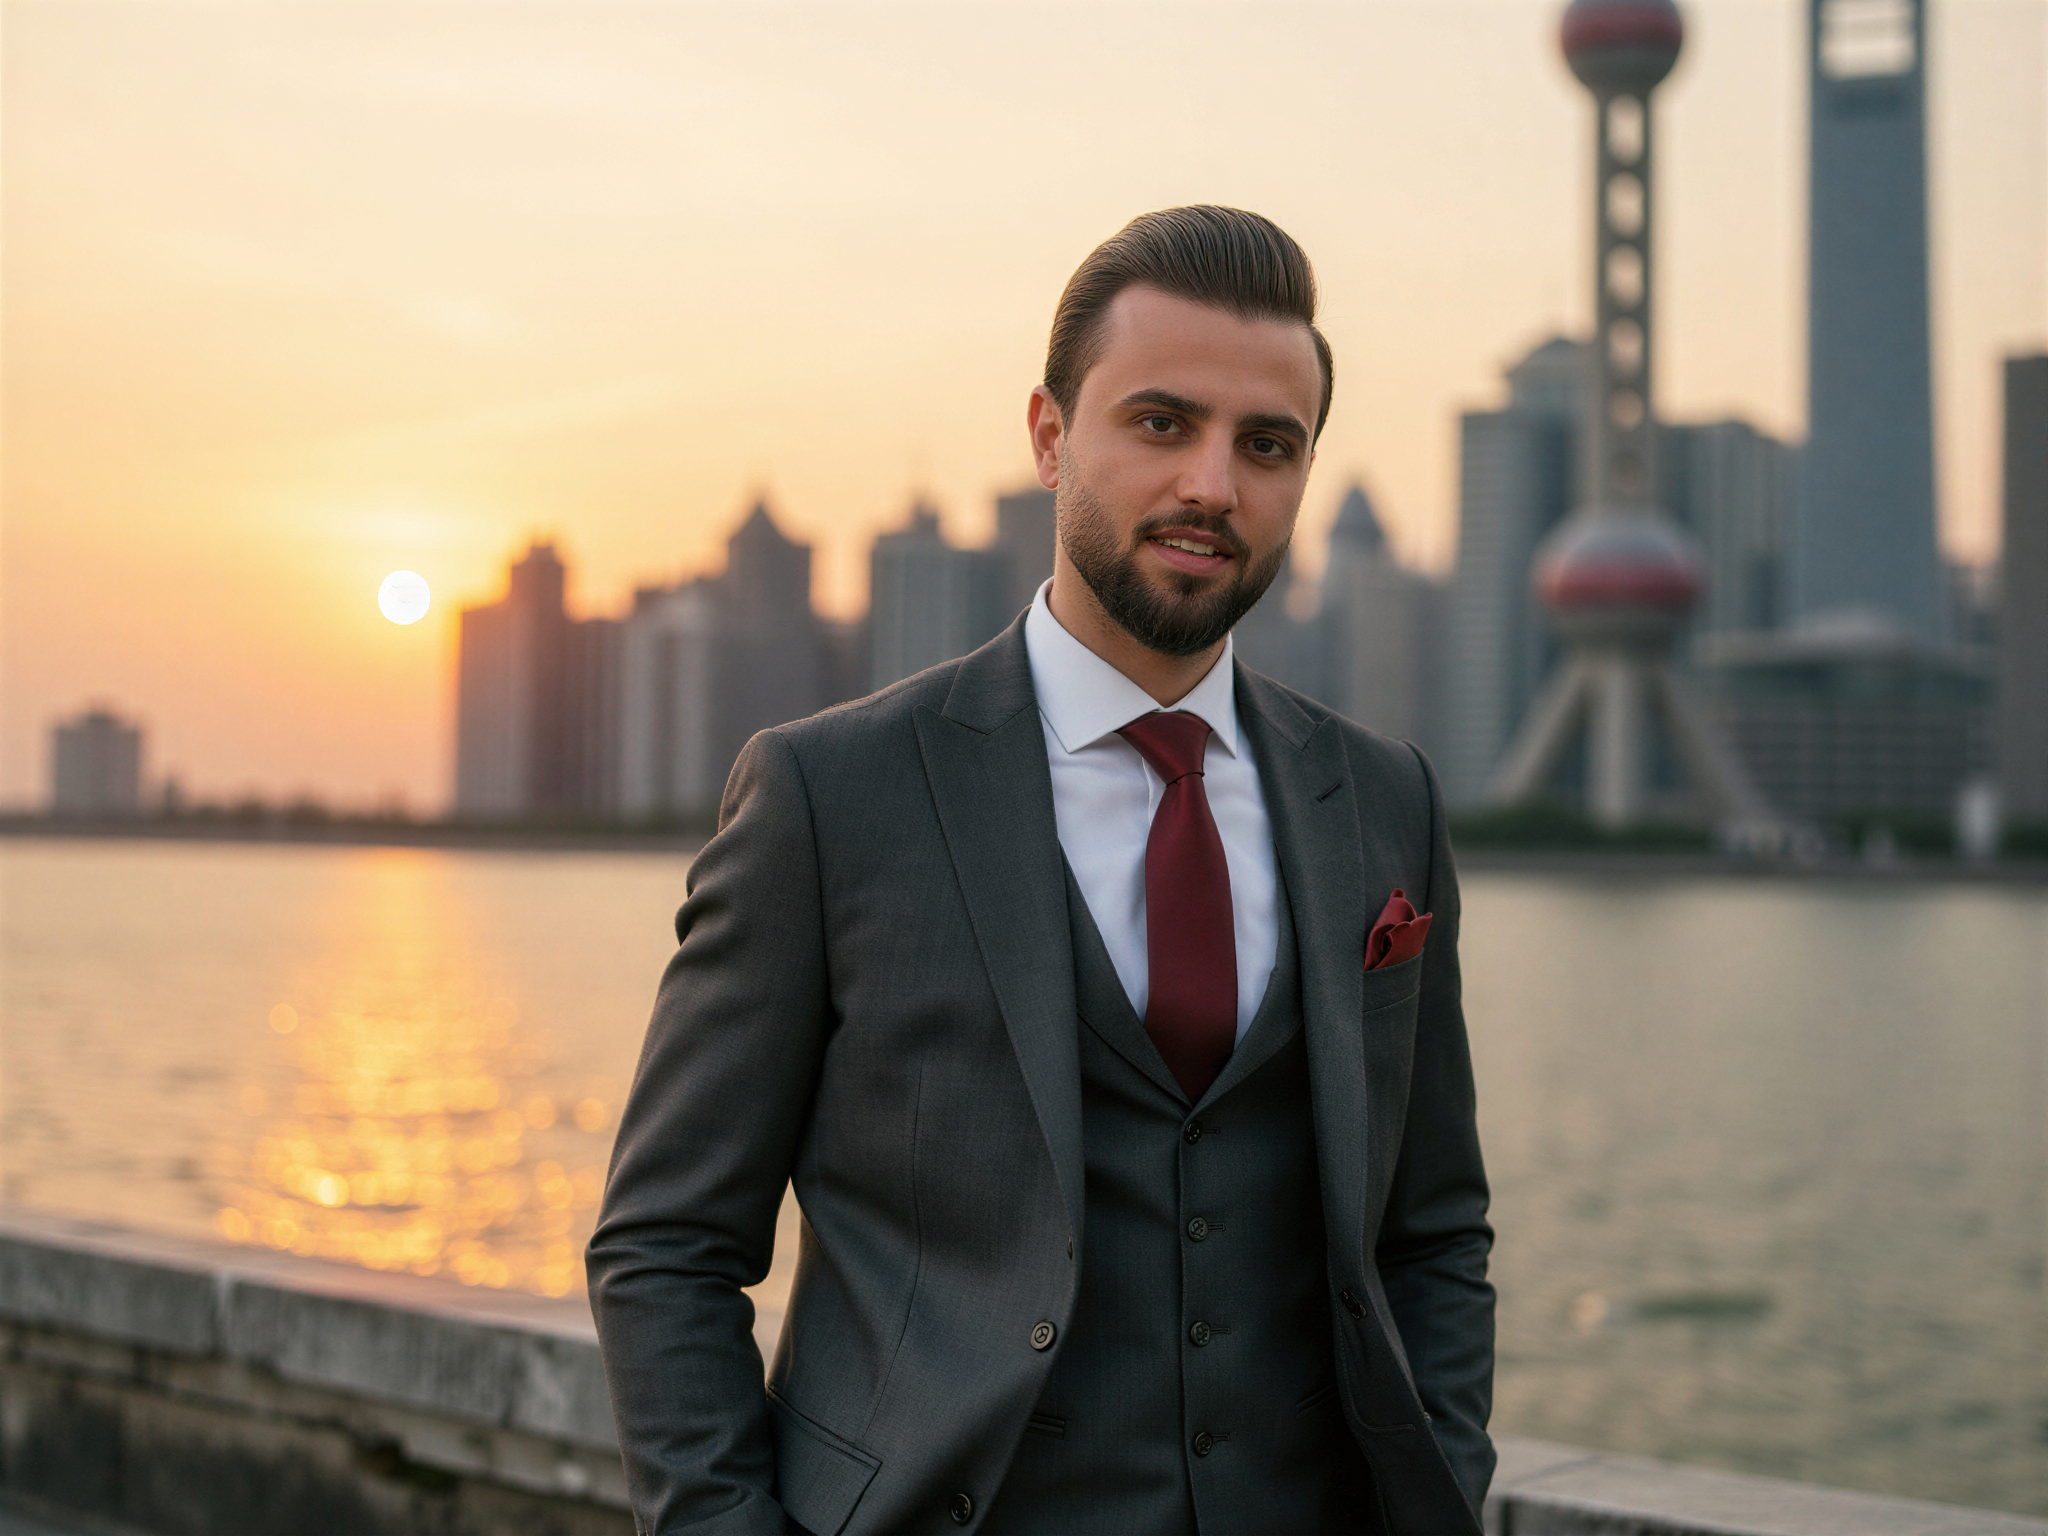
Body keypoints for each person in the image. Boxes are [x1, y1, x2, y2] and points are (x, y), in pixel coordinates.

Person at [588, 205, 1494, 1536]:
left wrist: (1442, 1494)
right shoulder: (830, 795)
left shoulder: (1381, 802)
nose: (1211, 486)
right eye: (1160, 423)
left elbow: (1433, 1231)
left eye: (1267, 445)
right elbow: (665, 1245)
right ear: (1050, 435)